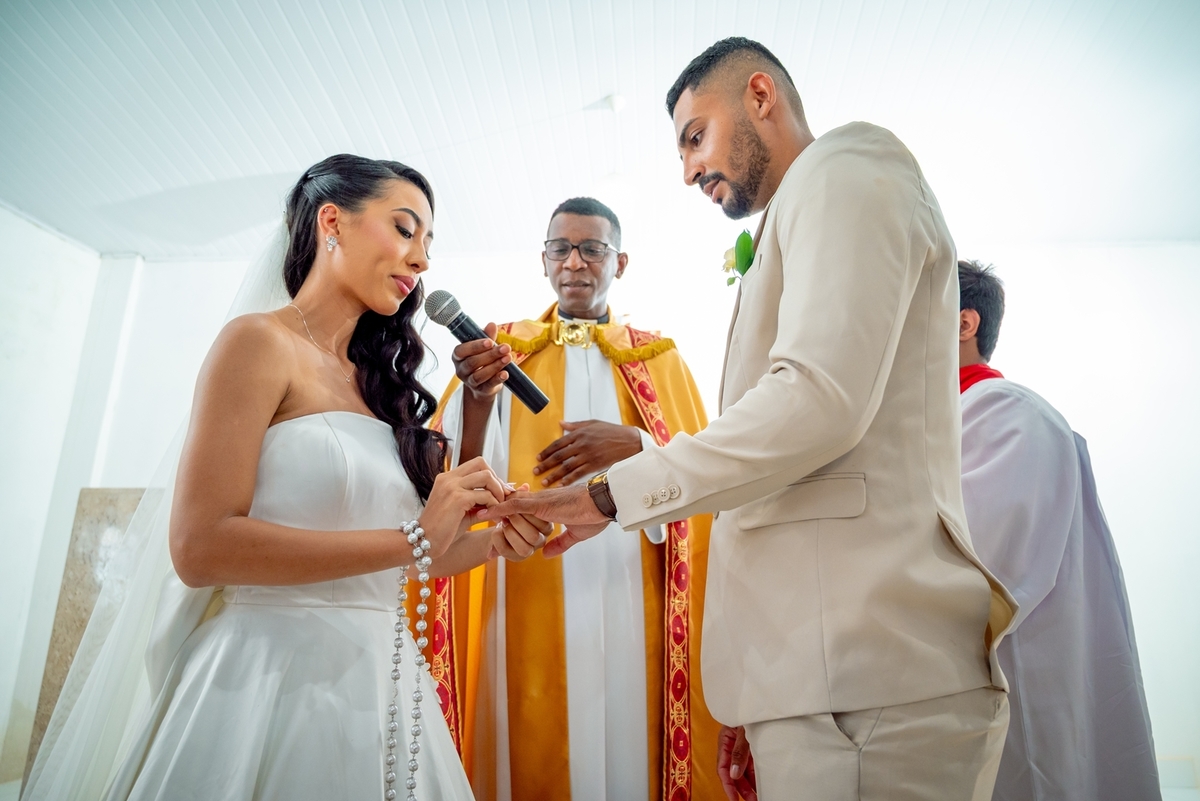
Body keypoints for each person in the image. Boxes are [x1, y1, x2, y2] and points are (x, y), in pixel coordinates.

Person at [484, 37, 1017, 801]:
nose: (688, 169)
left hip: (870, 675)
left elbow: (816, 401)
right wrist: (755, 693)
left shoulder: (847, 168)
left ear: (760, 96)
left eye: (695, 136)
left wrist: (607, 493)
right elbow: (772, 466)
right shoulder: (791, 218)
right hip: (817, 677)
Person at [23, 155, 547, 800]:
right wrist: (412, 538)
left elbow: (427, 555)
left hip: (379, 685)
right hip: (265, 675)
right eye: (405, 229)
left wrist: (494, 535)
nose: (421, 259)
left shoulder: (381, 387)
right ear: (333, 222)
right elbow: (199, 548)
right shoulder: (258, 344)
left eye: (429, 244)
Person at [431, 197, 721, 801]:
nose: (575, 263)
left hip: (630, 578)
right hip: (528, 573)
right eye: (561, 249)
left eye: (593, 249)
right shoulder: (501, 350)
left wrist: (636, 443)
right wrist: (477, 399)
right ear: (543, 260)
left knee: (629, 725)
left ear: (620, 262)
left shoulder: (658, 358)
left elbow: (707, 477)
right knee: (526, 727)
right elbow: (456, 466)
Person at [957, 260, 1160, 801]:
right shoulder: (964, 415)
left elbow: (971, 570)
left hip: (1019, 698)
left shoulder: (1003, 412)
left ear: (964, 324)